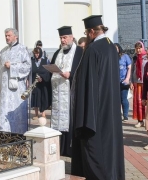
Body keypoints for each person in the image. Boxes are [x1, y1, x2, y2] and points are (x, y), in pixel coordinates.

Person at [71, 15, 124, 180]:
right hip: (110, 107)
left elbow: (87, 83)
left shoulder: (93, 49)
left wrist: (84, 115)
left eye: (87, 32)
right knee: (110, 147)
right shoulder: (110, 47)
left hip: (95, 111)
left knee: (96, 148)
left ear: (91, 32)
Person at [49, 26, 83, 157]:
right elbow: (52, 68)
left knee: (70, 120)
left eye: (65, 37)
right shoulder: (58, 52)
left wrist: (71, 74)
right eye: (61, 38)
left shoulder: (79, 51)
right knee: (57, 120)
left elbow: (82, 70)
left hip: (70, 94)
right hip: (57, 92)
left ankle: (69, 149)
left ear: (71, 37)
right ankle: (59, 147)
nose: (63, 40)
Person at [0, 28, 31, 134]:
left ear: (16, 36)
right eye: (6, 36)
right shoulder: (3, 51)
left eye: (9, 35)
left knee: (17, 113)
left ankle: (18, 136)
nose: (7, 37)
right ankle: (4, 136)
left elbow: (27, 66)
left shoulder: (22, 49)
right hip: (4, 90)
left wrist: (12, 66)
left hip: (16, 90)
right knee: (4, 113)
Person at [30, 47, 50, 119]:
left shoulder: (46, 60)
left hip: (43, 83)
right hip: (34, 83)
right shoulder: (31, 61)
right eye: (35, 53)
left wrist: (42, 78)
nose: (36, 55)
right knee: (35, 98)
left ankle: (43, 113)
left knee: (43, 97)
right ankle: (36, 114)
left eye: (38, 53)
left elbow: (48, 71)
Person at [131, 41, 147, 128]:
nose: (138, 50)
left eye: (139, 48)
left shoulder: (146, 57)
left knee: (146, 101)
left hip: (145, 82)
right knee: (138, 102)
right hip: (137, 82)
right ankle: (140, 120)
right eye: (136, 48)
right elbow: (132, 70)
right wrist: (131, 82)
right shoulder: (134, 58)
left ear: (142, 48)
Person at [115, 43, 132, 121]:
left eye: (116, 48)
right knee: (116, 99)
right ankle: (117, 115)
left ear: (119, 48)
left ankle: (125, 115)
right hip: (114, 82)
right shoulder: (112, 57)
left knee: (123, 98)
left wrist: (127, 78)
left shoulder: (125, 56)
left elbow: (129, 67)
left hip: (124, 81)